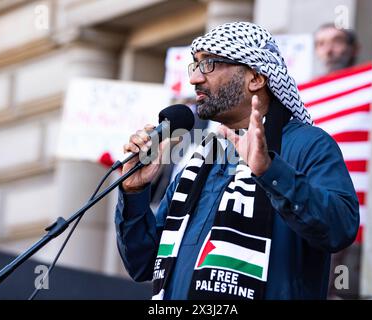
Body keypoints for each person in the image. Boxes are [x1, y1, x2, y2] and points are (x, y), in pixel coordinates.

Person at [115, 22, 359, 300]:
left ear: (255, 77)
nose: (195, 79)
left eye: (210, 64)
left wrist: (270, 171)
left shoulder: (308, 145)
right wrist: (134, 193)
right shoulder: (199, 163)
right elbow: (142, 263)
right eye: (195, 66)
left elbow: (340, 228)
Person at [314, 23, 362, 299]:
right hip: (317, 195)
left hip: (355, 199)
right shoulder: (306, 92)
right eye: (321, 43)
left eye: (336, 41)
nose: (329, 50)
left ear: (353, 48)